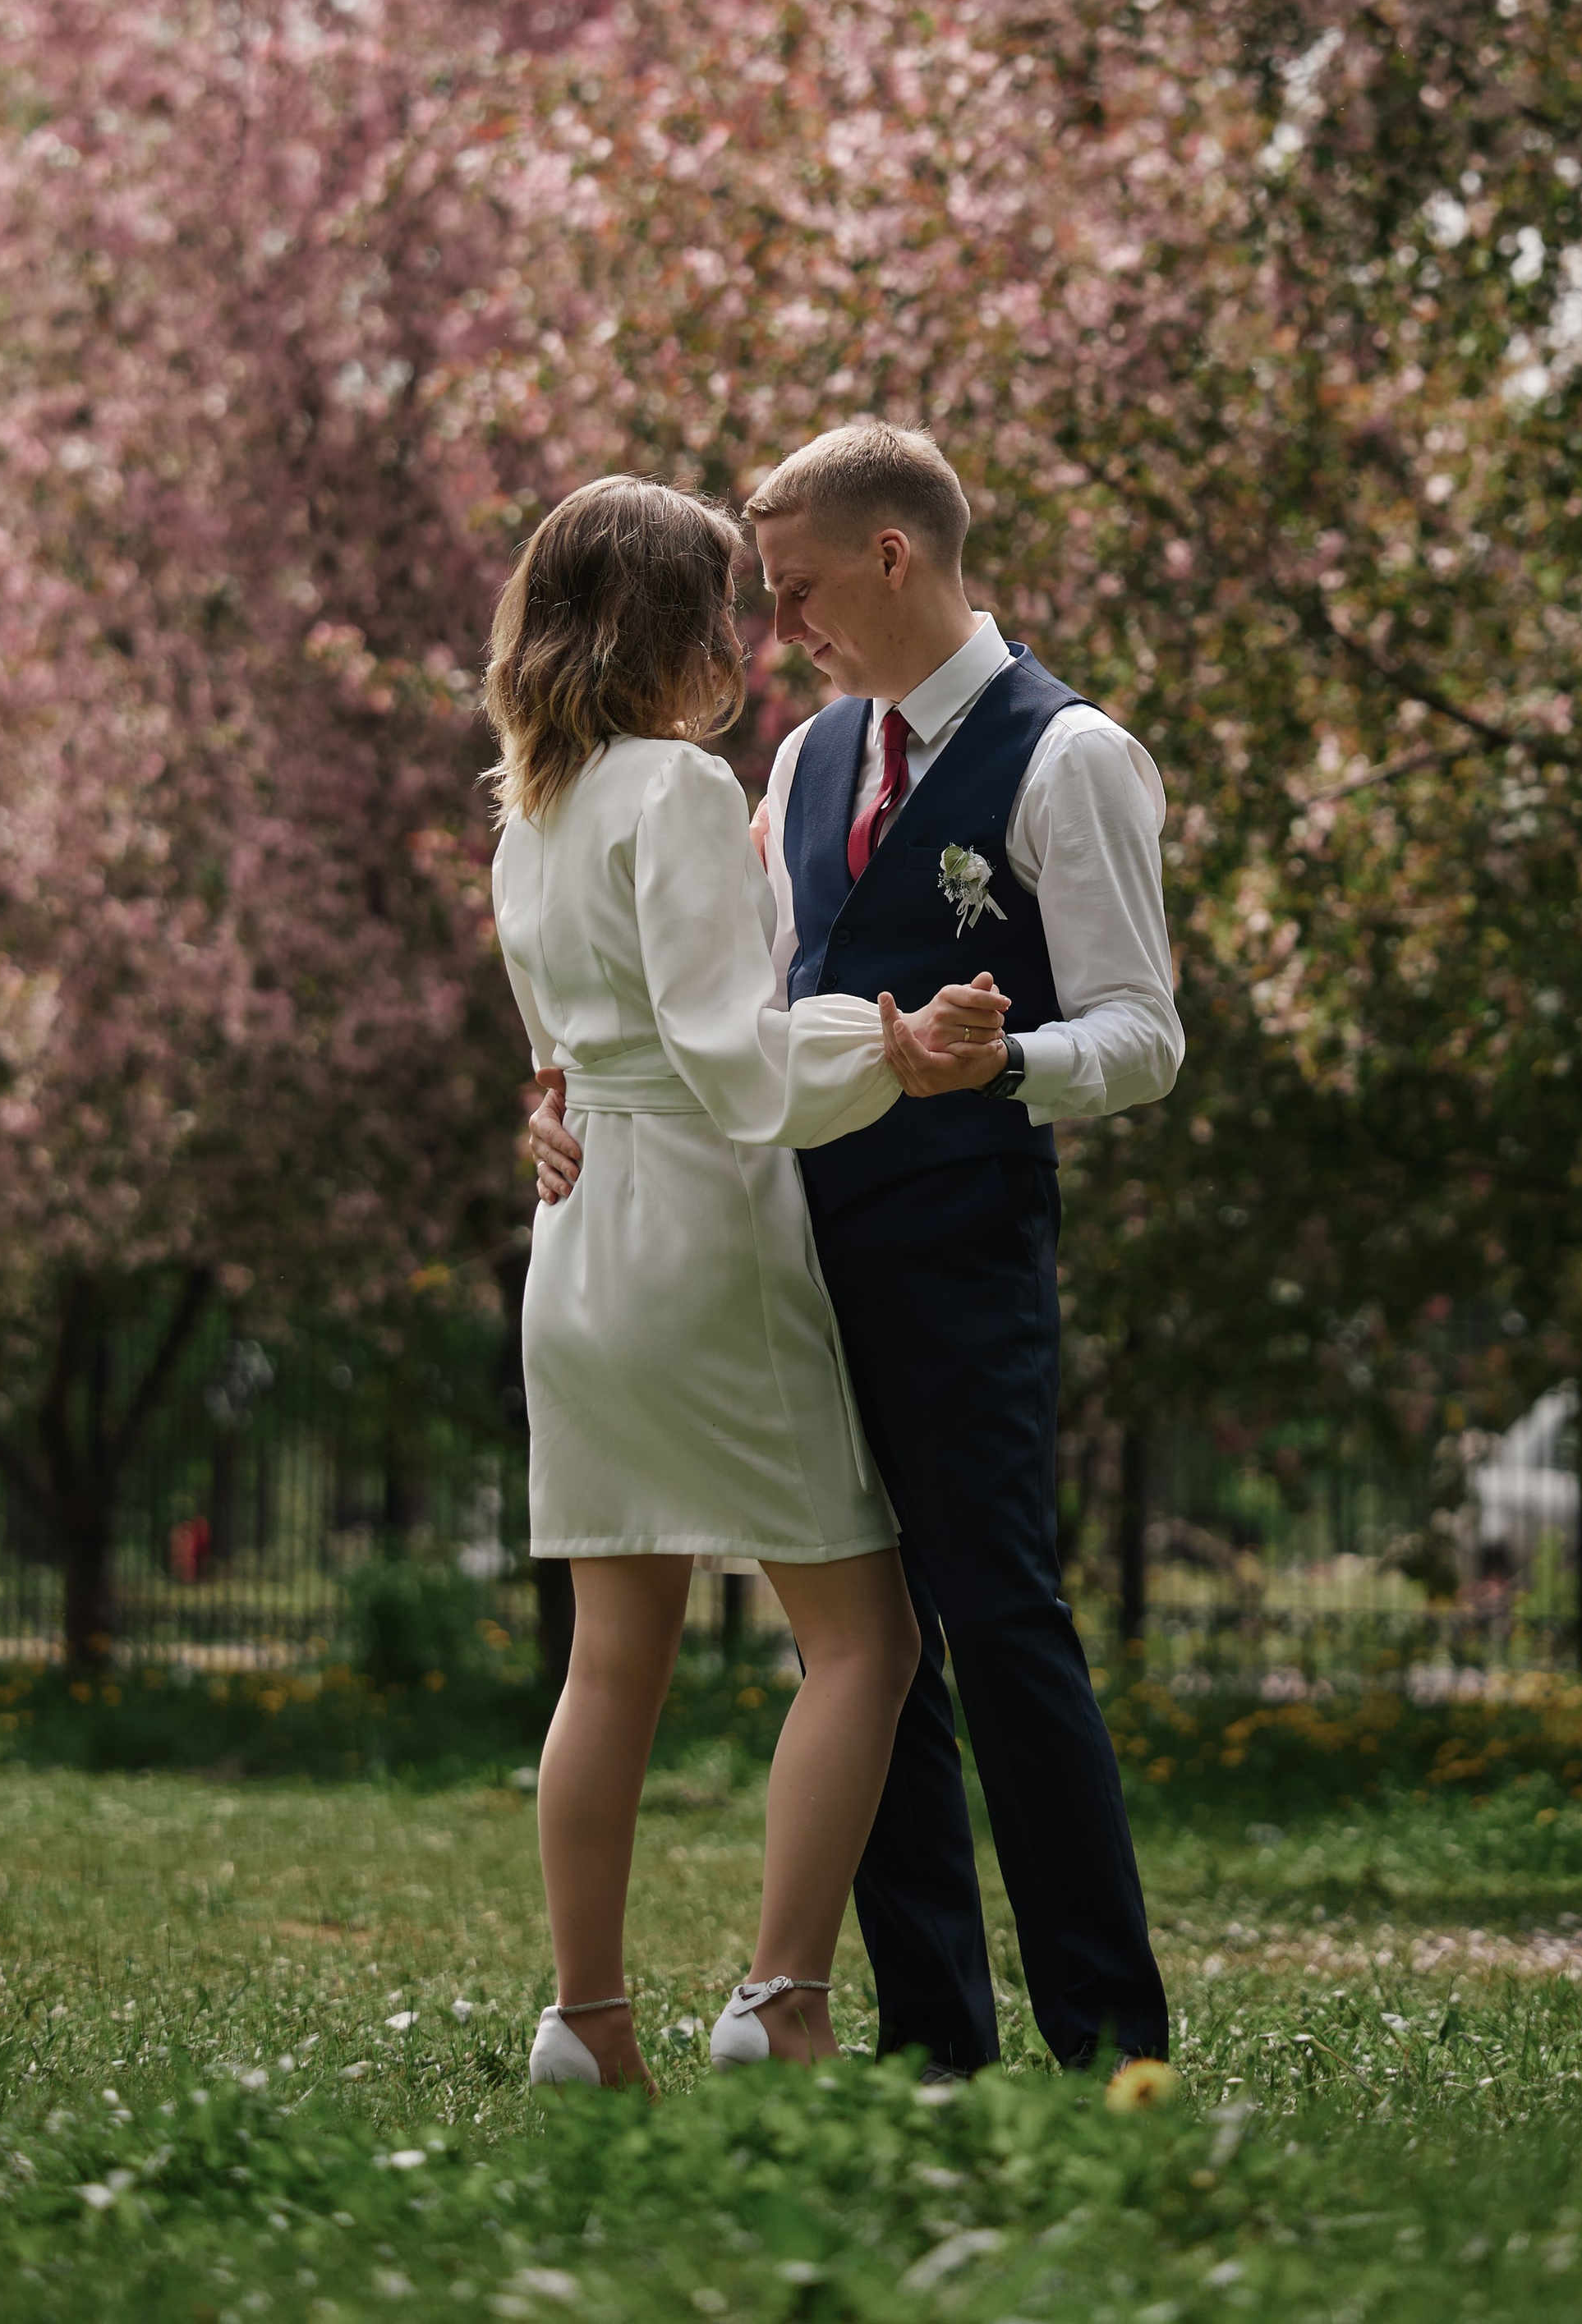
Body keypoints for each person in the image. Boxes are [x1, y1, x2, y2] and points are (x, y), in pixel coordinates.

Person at [531, 424, 1184, 2076]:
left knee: (995, 1615)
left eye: (796, 585)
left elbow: (1143, 1034)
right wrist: (558, 1103)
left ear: (890, 556)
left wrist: (1008, 1064)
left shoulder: (1069, 756)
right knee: (869, 1644)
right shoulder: (806, 765)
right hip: (775, 1235)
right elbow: (712, 1015)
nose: (773, 623)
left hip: (955, 1238)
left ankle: (1106, 2041)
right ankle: (928, 2033)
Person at [485, 472, 1012, 2093]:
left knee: (608, 1652)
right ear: (668, 625)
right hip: (699, 1237)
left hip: (575, 1256)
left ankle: (584, 2021)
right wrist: (893, 1047)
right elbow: (731, 1062)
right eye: (724, 605)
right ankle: (779, 1995)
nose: (744, 635)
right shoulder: (678, 791)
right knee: (863, 1638)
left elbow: (561, 1068)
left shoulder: (532, 808)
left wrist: (551, 1107)